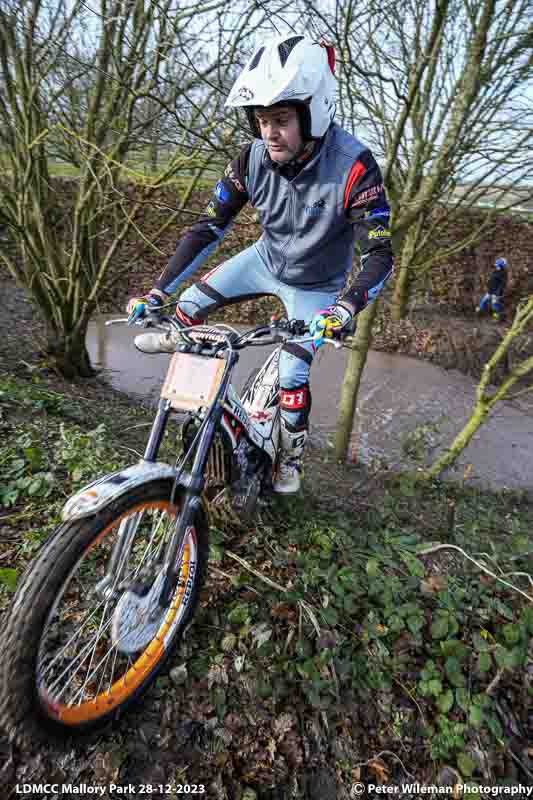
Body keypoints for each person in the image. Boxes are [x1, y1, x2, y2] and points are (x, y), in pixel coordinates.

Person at [127, 35, 394, 493]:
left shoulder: (354, 166)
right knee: (185, 312)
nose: (269, 132)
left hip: (317, 285)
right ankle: (214, 416)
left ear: (315, 111)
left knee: (292, 375)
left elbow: (379, 254)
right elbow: (208, 227)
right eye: (262, 120)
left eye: (282, 120)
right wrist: (158, 291)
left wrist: (344, 309)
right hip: (263, 260)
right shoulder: (250, 159)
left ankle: (290, 458)